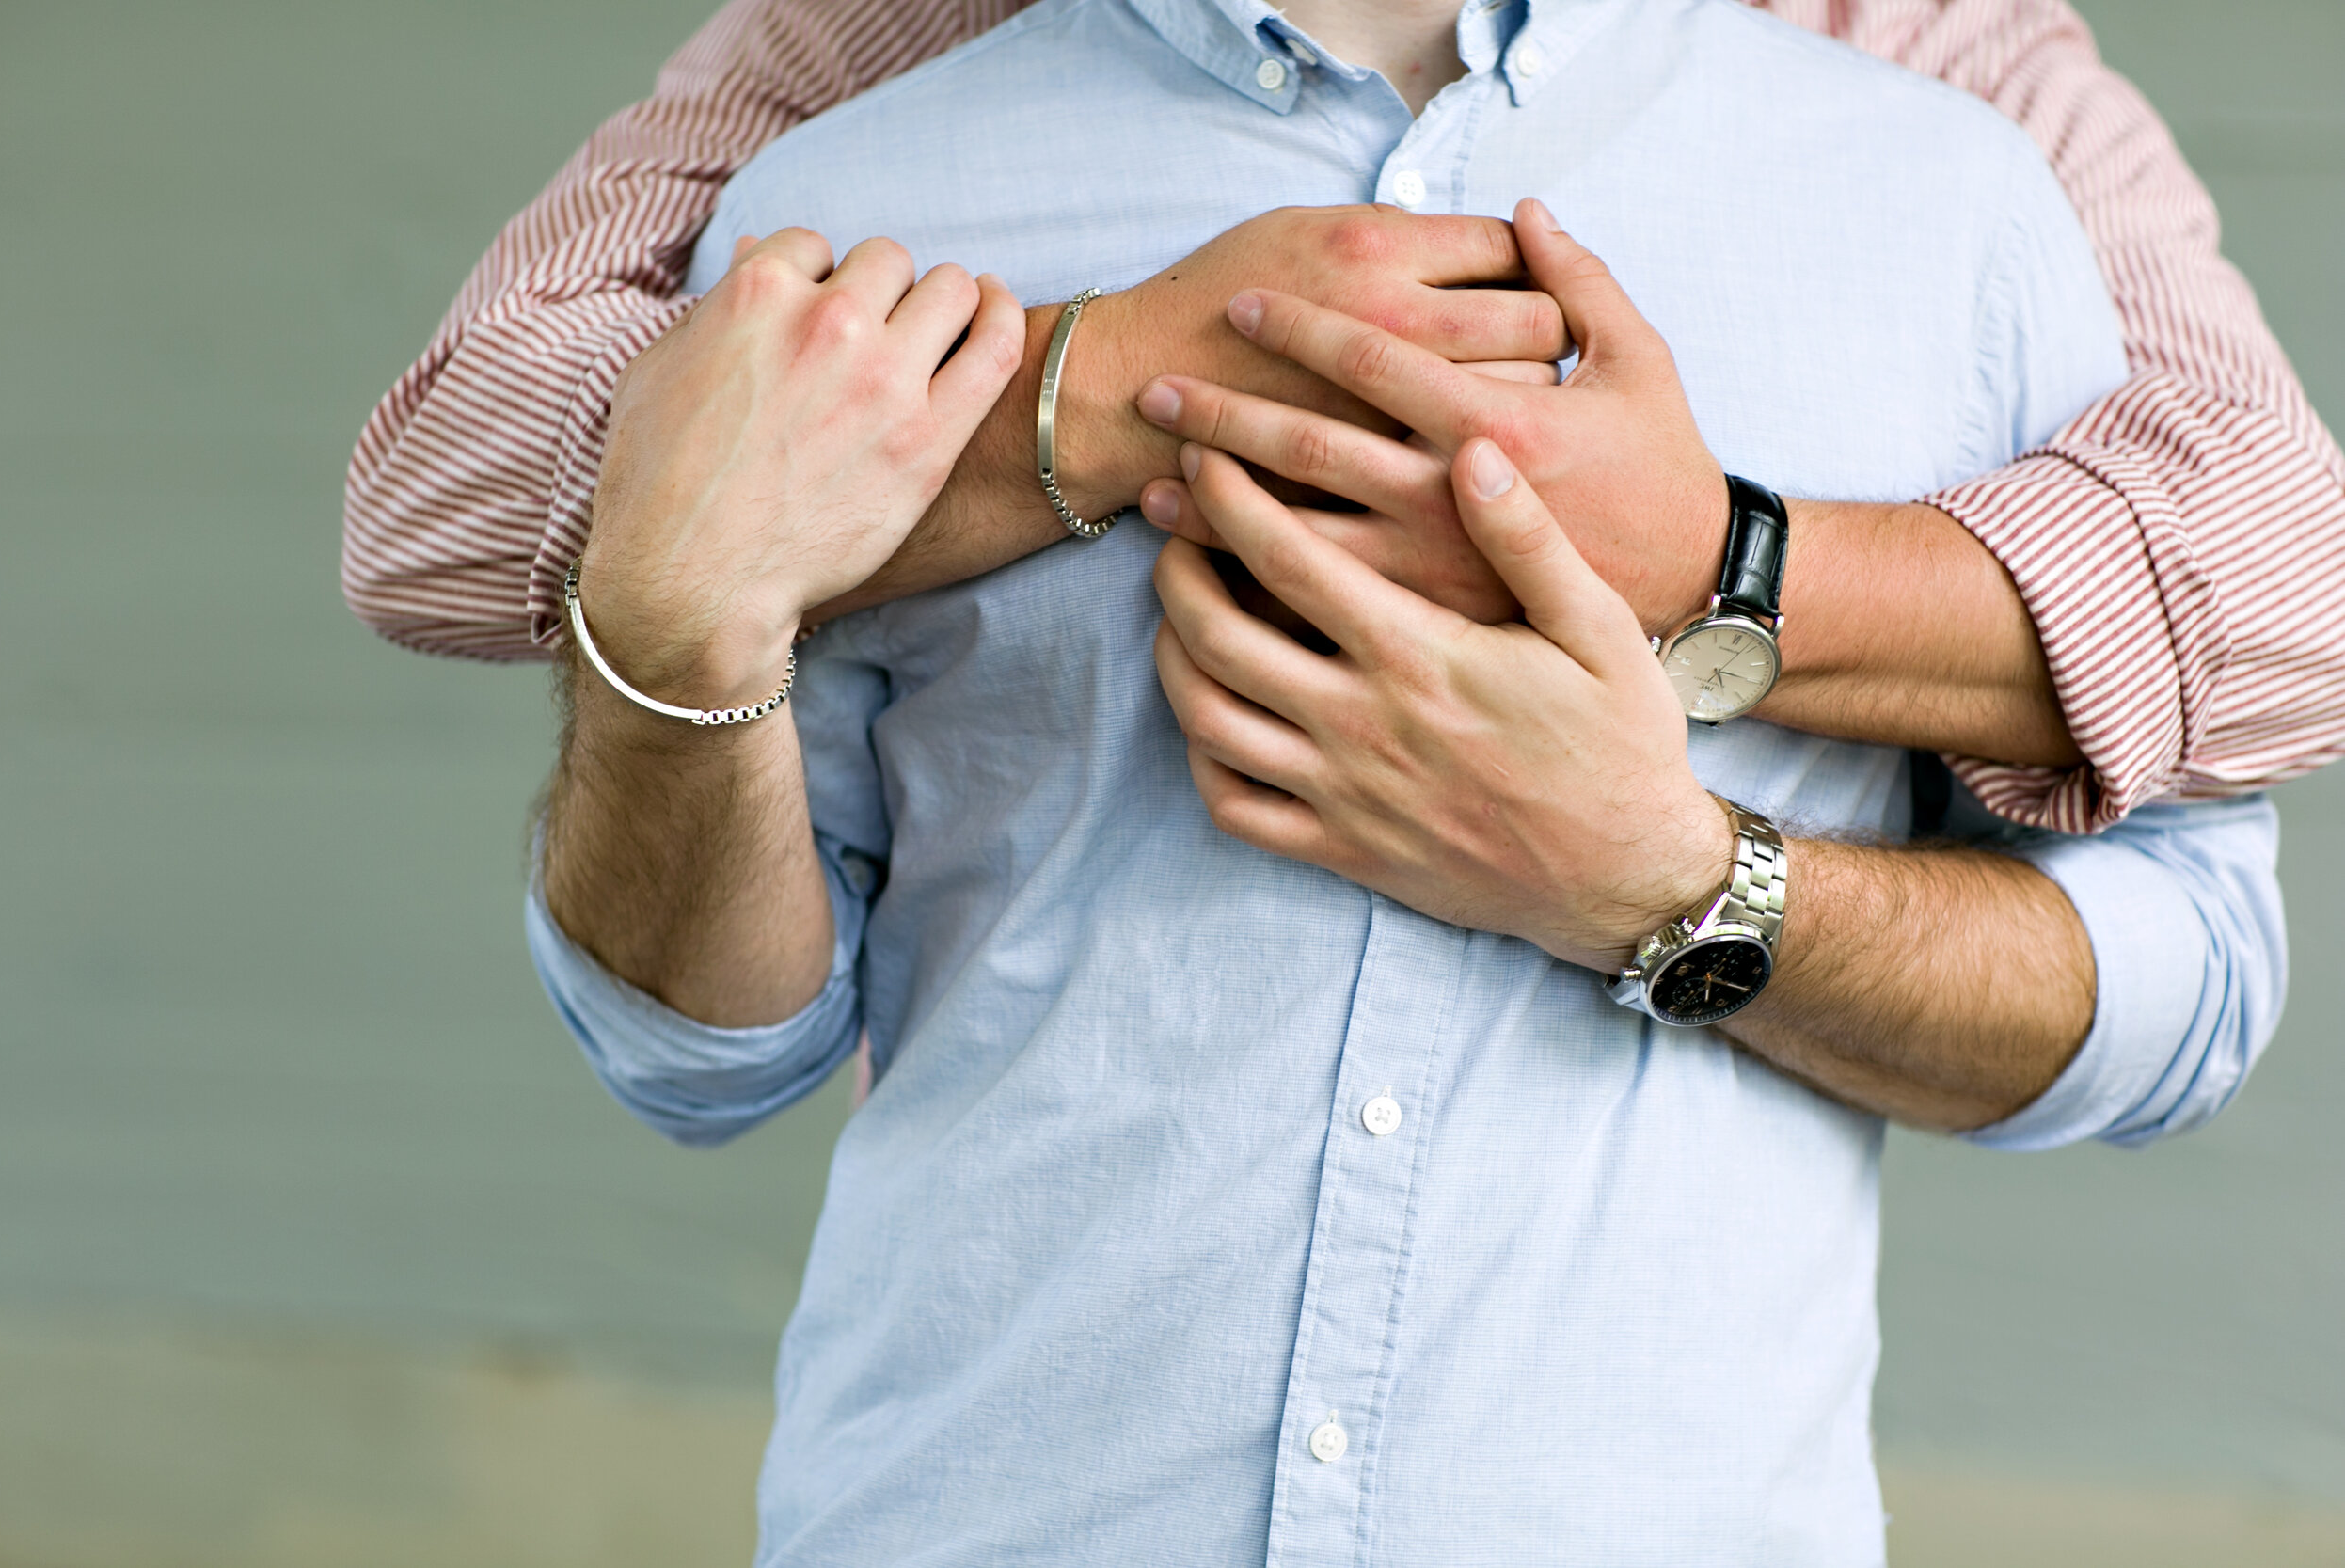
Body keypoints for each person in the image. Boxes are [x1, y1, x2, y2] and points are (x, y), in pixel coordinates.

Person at [517, 0, 2283, 1560]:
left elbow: (2190, 973)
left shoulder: (1945, 208)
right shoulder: (839, 220)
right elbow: (694, 1054)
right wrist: (669, 634)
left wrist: (1676, 882)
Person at [342, 0, 2345, 837]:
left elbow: (2294, 588)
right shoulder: (900, 57)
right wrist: (1097, 380)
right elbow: (435, 505)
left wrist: (1707, 570)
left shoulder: (1935, 66)